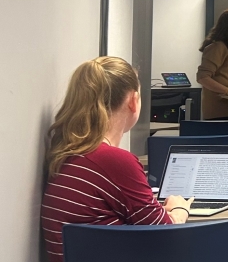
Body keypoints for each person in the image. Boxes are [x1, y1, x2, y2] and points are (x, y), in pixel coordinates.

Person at [41, 57, 193, 262]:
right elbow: (166, 235)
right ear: (132, 100)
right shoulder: (113, 160)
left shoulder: (68, 151)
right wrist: (179, 209)